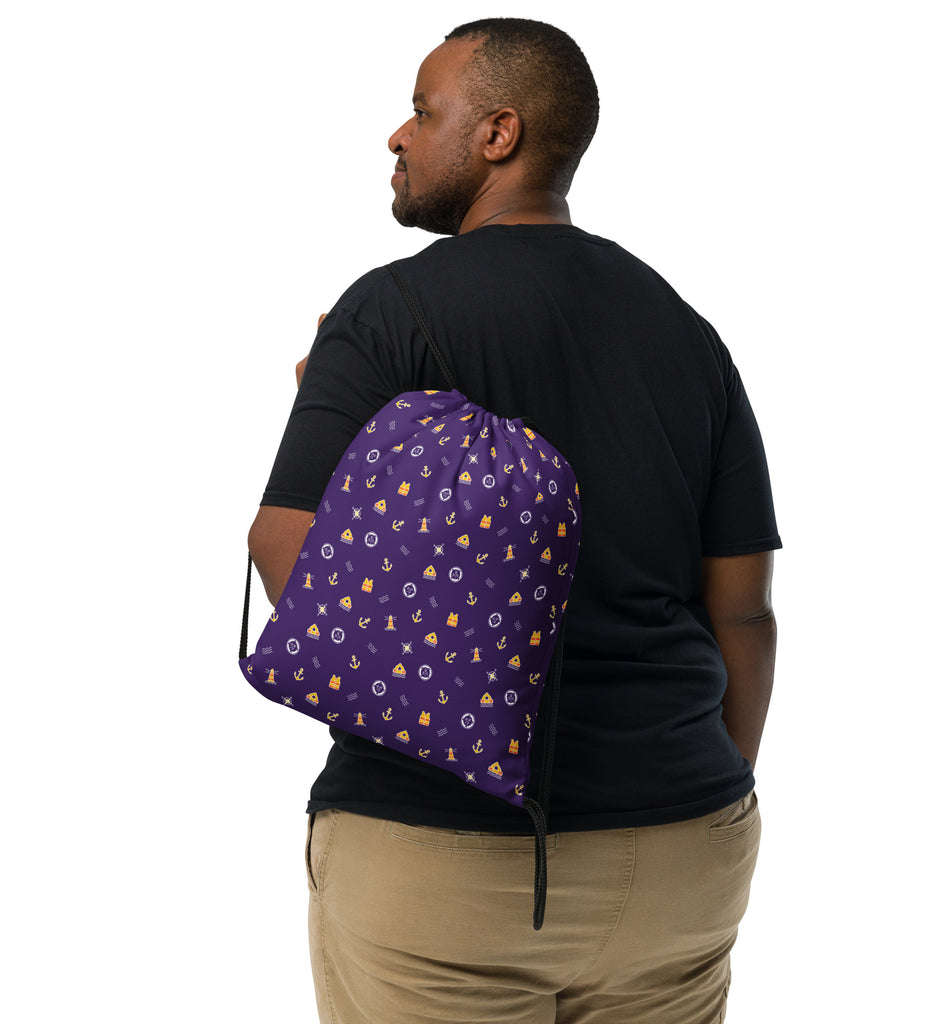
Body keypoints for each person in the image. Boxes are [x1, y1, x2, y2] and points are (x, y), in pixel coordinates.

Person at [247, 17, 780, 1024]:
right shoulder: (685, 332)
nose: (396, 137)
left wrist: (326, 409)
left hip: (441, 866)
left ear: (498, 134)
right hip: (679, 857)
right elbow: (743, 612)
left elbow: (288, 554)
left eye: (420, 110)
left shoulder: (390, 312)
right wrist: (691, 794)